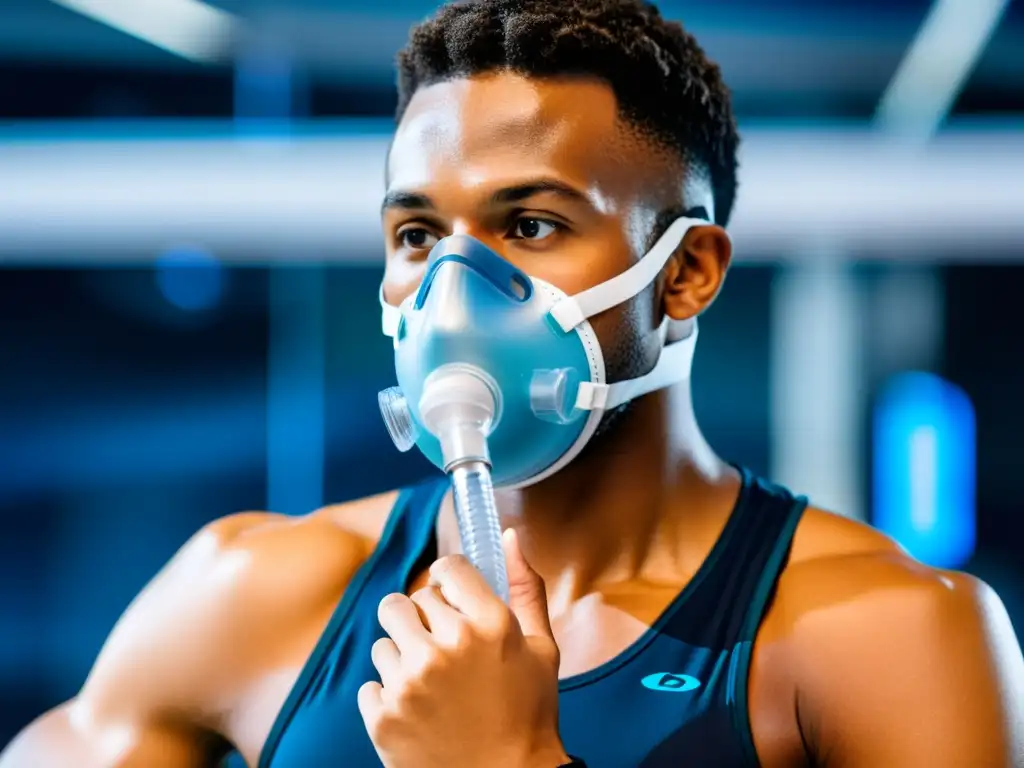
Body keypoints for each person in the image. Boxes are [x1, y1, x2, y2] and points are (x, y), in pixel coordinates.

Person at [4, 1, 1024, 766]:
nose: (454, 293)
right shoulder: (252, 591)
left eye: (529, 225)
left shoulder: (888, 635)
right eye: (416, 236)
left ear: (686, 272)